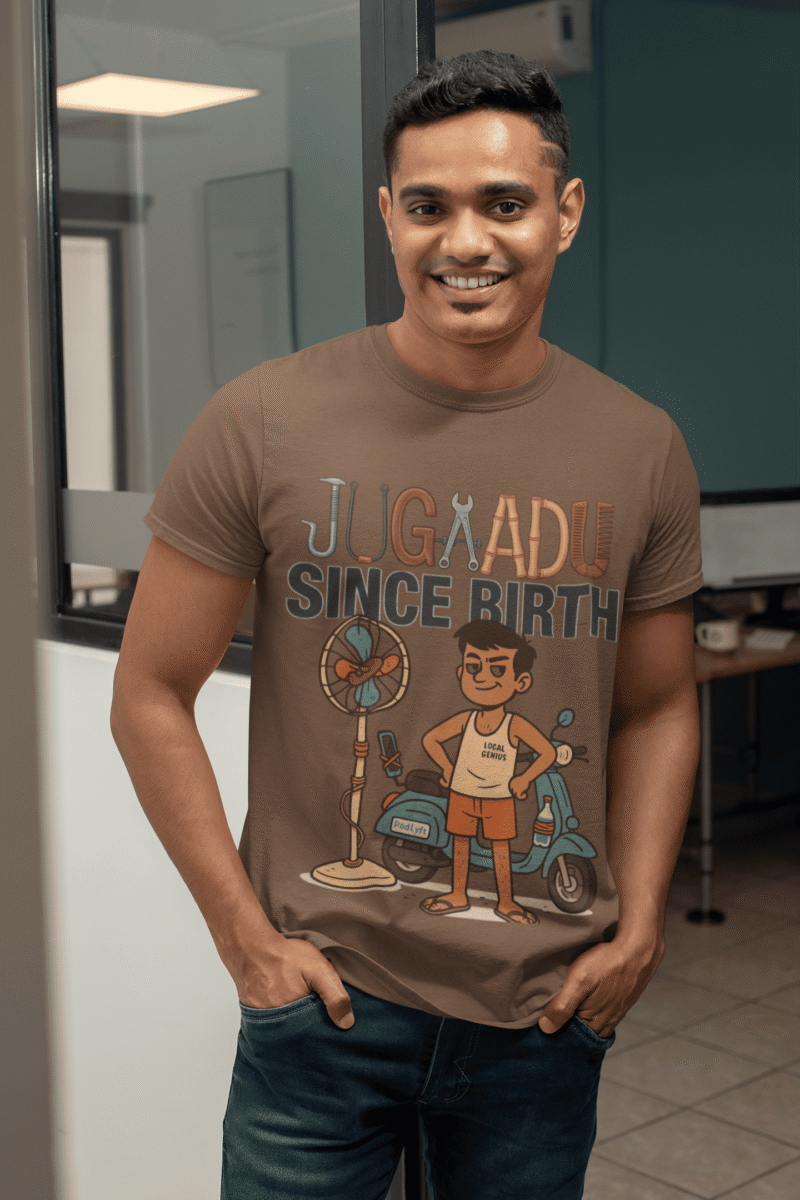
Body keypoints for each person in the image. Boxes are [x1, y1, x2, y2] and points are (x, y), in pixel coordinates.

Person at [111, 50, 703, 1200]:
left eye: (503, 204)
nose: (464, 241)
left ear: (564, 213)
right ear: (387, 216)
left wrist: (636, 928)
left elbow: (657, 706)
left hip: (540, 1018)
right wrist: (243, 940)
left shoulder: (640, 449)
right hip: (322, 1012)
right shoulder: (262, 421)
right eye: (427, 206)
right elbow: (149, 692)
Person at [421, 620, 556, 923]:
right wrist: (447, 767)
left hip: (499, 798)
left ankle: (506, 902)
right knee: (460, 843)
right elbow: (431, 739)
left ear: (521, 682)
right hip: (462, 793)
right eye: (473, 667)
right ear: (460, 673)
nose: (482, 677)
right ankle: (458, 894)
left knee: (500, 849)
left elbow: (547, 752)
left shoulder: (513, 724)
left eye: (497, 669)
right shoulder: (466, 719)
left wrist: (524, 778)